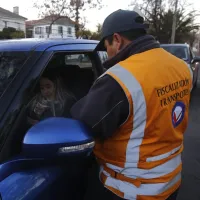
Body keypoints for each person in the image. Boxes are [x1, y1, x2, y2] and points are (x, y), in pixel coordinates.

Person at [70, 9, 192, 200]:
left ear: (117, 40)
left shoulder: (119, 79)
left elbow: (86, 125)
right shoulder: (181, 67)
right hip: (171, 180)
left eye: (106, 46)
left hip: (130, 187)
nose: (107, 54)